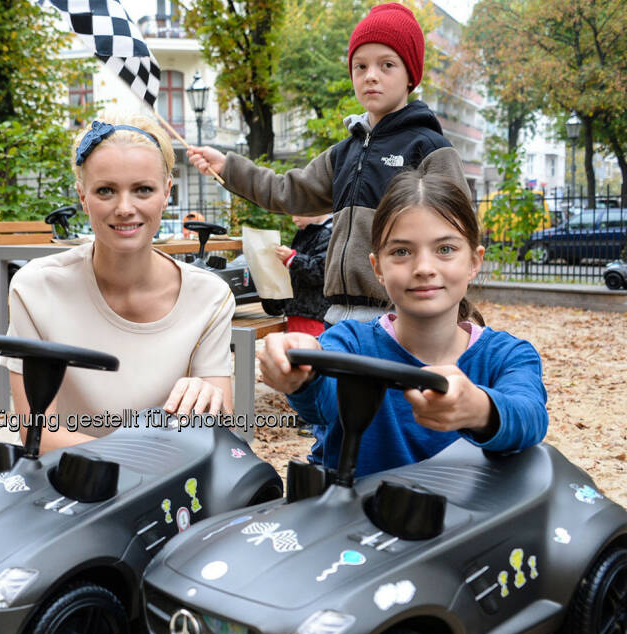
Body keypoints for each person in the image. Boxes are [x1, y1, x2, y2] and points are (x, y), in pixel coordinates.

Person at [188, 2, 469, 326]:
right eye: (360, 67)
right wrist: (229, 167)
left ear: (410, 76)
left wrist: (449, 318)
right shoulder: (344, 153)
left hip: (403, 318)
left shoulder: (430, 148)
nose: (371, 76)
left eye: (387, 64)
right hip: (336, 318)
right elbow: (286, 191)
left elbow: (457, 236)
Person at [258, 170, 548, 478]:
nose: (424, 268)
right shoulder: (349, 343)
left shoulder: (507, 356)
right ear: (377, 267)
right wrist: (302, 372)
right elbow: (323, 401)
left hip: (469, 522)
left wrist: (479, 408)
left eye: (445, 249)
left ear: (474, 262)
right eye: (401, 252)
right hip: (354, 518)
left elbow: (529, 417)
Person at [0, 114, 235, 454]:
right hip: (78, 482)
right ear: (82, 196)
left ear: (167, 192)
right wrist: (140, 463)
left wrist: (209, 400)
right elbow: (38, 434)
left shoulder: (209, 297)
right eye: (106, 190)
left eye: (143, 189)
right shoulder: (36, 288)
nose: (125, 208)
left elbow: (220, 431)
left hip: (172, 486)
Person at [273, 214, 332, 336]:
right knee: (296, 353)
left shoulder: (330, 232)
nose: (294, 219)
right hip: (297, 313)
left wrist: (292, 259)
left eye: (298, 212)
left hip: (316, 317)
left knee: (312, 353)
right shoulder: (304, 232)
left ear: (315, 206)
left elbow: (321, 272)